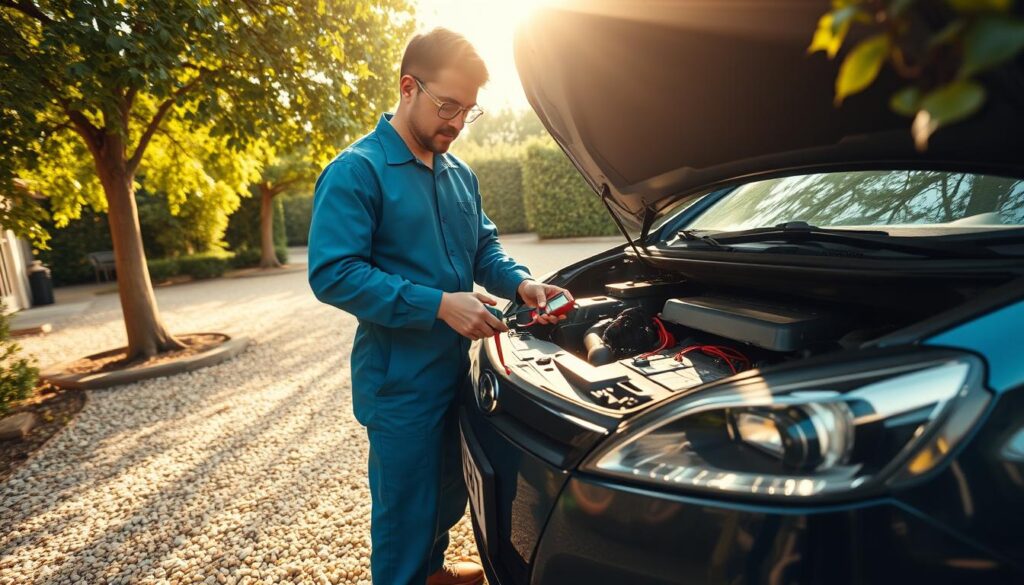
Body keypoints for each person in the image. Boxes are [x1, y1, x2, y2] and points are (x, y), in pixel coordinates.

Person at [307, 27, 571, 585]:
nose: (455, 122)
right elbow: (334, 274)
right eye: (447, 105)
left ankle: (431, 572)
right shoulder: (356, 172)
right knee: (404, 514)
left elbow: (483, 249)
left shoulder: (461, 175)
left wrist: (520, 284)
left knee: (452, 487)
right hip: (398, 379)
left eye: (468, 110)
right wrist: (438, 306)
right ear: (408, 88)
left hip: (462, 369)